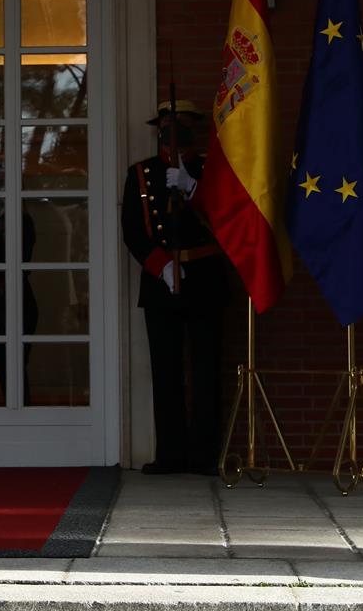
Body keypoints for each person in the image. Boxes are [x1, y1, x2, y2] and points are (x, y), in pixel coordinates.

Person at [121, 99, 228, 476]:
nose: (173, 134)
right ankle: (170, 454)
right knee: (165, 371)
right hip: (161, 281)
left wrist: (192, 186)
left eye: (180, 127)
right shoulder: (141, 174)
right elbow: (132, 230)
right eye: (167, 127)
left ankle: (204, 456)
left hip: (205, 278)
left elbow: (226, 218)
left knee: (206, 370)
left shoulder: (211, 170)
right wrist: (161, 266)